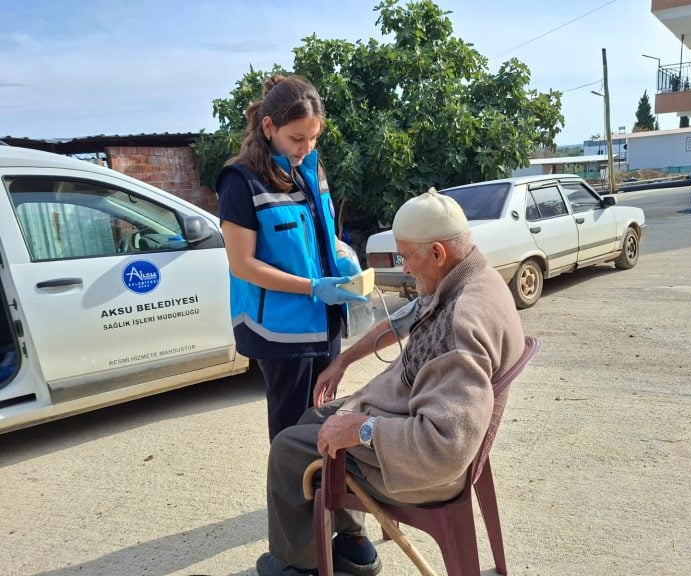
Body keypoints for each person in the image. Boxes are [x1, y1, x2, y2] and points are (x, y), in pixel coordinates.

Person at [255, 189, 526, 576]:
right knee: (316, 417)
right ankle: (353, 545)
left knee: (287, 448)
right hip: (410, 417)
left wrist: (362, 428)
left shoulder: (460, 324)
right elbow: (398, 321)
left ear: (437, 252)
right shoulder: (472, 277)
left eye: (405, 258)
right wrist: (343, 361)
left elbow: (443, 448)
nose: (403, 269)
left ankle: (297, 565)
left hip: (426, 467)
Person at [216, 75, 366, 442]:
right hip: (282, 331)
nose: (305, 147)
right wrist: (313, 287)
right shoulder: (242, 182)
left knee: (324, 423)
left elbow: (321, 233)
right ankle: (290, 500)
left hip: (324, 323)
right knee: (291, 433)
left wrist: (343, 254)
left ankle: (321, 497)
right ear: (269, 127)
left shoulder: (310, 171)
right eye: (297, 138)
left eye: (313, 137)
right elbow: (243, 265)